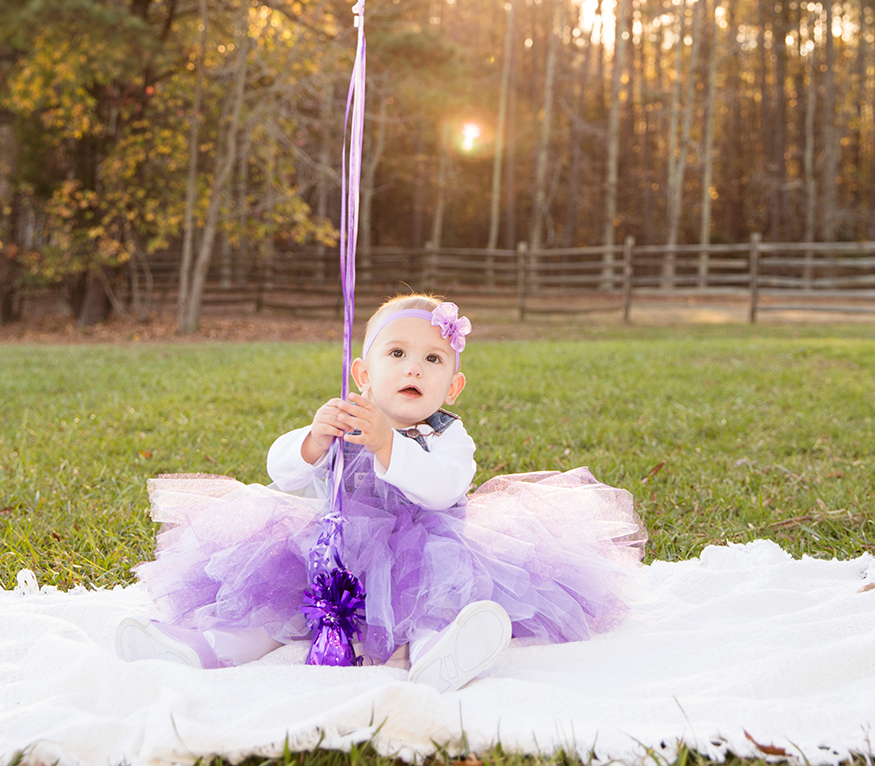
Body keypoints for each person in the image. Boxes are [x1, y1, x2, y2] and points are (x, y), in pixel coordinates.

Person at [116, 294, 646, 691]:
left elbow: (442, 490)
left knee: (438, 600)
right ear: (363, 374)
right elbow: (281, 471)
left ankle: (440, 653)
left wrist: (388, 444)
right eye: (397, 353)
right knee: (279, 603)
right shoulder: (345, 420)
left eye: (434, 359)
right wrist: (312, 439)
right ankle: (207, 648)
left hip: (425, 555)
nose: (415, 366)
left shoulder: (447, 435)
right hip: (335, 555)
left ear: (452, 386)